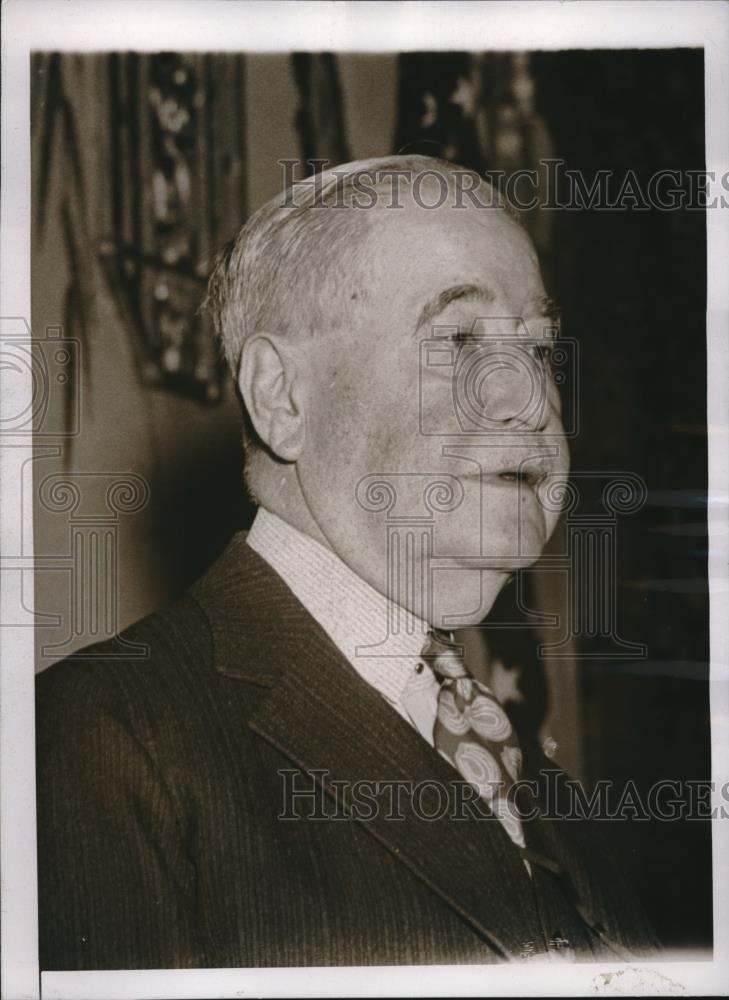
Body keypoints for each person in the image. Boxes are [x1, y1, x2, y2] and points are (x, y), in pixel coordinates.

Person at [36, 155, 657, 969]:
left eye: (539, 349)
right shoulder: (95, 741)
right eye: (458, 339)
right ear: (282, 398)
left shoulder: (538, 782)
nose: (530, 398)